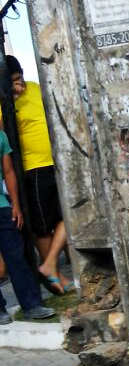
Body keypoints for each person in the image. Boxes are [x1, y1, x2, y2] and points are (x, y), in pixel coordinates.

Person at [2, 56, 71, 295]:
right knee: (43, 225)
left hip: (58, 162)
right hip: (33, 169)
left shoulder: (35, 88)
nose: (19, 86)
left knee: (70, 214)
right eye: (13, 83)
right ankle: (55, 274)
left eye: (19, 79)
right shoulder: (3, 104)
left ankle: (50, 264)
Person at [0, 128, 54, 322]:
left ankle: (32, 306)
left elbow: (8, 171)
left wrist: (15, 204)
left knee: (16, 256)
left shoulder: (1, 136)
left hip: (3, 206)